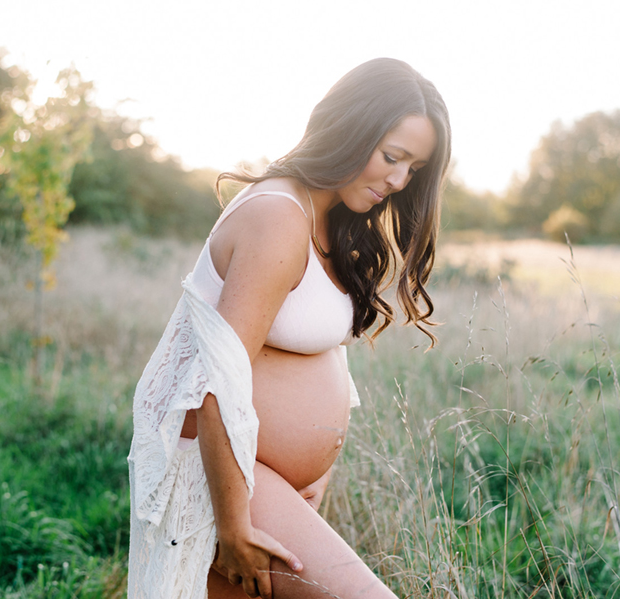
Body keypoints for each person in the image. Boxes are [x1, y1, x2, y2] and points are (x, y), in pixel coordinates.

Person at [128, 57, 451, 599]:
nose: (398, 181)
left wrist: (314, 463)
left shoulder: (330, 219)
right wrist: (233, 527)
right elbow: (215, 380)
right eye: (392, 157)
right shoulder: (279, 216)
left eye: (414, 169)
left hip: (264, 479)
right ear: (349, 128)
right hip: (223, 478)